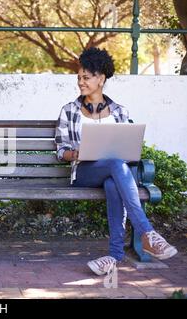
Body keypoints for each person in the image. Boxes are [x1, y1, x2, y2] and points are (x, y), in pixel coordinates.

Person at [55, 47, 177, 276]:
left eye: (86, 77)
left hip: (113, 173)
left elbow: (129, 151)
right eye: (79, 78)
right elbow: (60, 151)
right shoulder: (69, 110)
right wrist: (75, 154)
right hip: (83, 173)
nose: (80, 82)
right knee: (115, 164)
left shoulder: (120, 112)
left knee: (114, 177)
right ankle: (146, 233)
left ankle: (114, 255)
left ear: (101, 79)